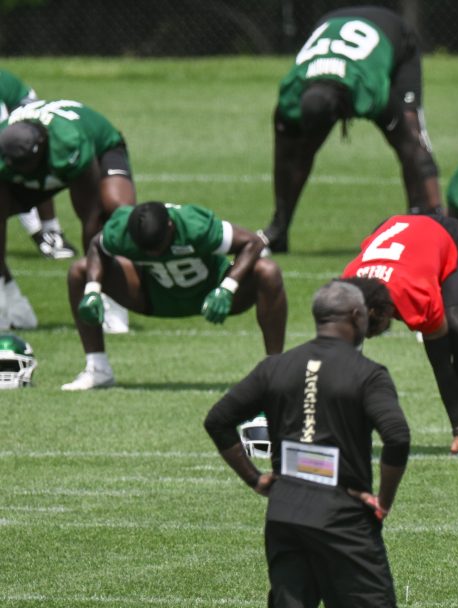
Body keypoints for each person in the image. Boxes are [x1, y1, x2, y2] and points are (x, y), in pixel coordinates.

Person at [203, 280, 458, 608]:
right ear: (356, 317)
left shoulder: (277, 366)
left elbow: (218, 420)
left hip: (285, 510)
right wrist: (385, 500)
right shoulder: (367, 372)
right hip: (343, 515)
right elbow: (396, 436)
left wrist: (257, 479)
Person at [261, 6, 440, 253]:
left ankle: (431, 221)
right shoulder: (291, 91)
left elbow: (407, 144)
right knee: (298, 151)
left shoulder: (369, 91)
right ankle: (279, 229)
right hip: (331, 24)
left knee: (412, 133)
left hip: (393, 34)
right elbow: (285, 157)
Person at [63, 201, 287, 390]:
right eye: (146, 250)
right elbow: (97, 246)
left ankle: (275, 372)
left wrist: (228, 287)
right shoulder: (122, 228)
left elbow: (254, 242)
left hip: (213, 293)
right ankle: (98, 368)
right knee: (79, 272)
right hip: (152, 295)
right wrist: (92, 289)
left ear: (170, 226)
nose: (152, 254)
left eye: (157, 247)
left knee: (268, 271)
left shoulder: (193, 224)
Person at [341, 213, 458, 457]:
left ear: (384, 312)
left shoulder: (416, 296)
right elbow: (341, 365)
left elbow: (441, 363)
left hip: (447, 233)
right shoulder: (345, 291)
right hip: (397, 230)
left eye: (374, 331)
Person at [0, 98, 135, 333]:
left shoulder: (69, 143)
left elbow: (92, 215)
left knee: (114, 211)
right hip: (44, 159)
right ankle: (11, 301)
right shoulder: (6, 148)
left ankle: (111, 301)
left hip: (101, 148)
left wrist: (94, 286)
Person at [0, 68, 77, 262]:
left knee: (21, 168)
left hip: (21, 109)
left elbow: (6, 145)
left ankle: (48, 234)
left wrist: (34, 231)